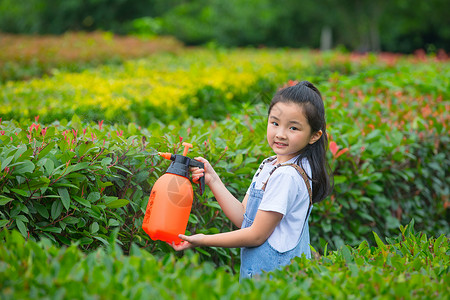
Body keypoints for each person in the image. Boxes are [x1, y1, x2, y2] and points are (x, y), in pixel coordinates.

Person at [170, 80, 333, 280]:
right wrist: (213, 179)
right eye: (275, 123)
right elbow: (244, 218)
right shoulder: (271, 164)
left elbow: (256, 235)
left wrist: (203, 239)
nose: (280, 134)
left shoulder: (287, 176)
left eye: (293, 128)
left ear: (314, 136)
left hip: (276, 283)